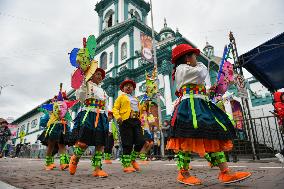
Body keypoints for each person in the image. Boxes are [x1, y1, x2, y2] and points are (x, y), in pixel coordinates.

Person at [167, 44, 251, 185]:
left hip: (200, 105)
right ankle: (183, 173)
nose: (197, 58)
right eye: (194, 56)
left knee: (213, 136)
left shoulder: (189, 69)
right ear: (187, 58)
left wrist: (208, 90)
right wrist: (201, 65)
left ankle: (225, 173)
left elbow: (196, 83)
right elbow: (200, 74)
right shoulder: (182, 69)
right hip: (189, 107)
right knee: (186, 139)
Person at [69, 68, 109, 177]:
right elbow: (80, 97)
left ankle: (97, 168)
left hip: (100, 116)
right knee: (83, 143)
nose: (100, 76)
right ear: (91, 75)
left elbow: (105, 106)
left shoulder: (103, 91)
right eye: (97, 74)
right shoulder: (86, 85)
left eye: (101, 74)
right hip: (88, 114)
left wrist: (107, 120)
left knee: (100, 143)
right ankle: (74, 159)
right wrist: (83, 83)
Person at [38, 85, 75, 171]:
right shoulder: (54, 107)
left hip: (63, 127)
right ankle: (48, 163)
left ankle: (63, 163)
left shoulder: (66, 108)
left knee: (62, 145)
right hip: (53, 127)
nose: (64, 101)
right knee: (51, 145)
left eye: (66, 99)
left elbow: (68, 117)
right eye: (63, 99)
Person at [113, 79, 145, 173]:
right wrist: (118, 117)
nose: (128, 87)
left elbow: (140, 110)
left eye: (130, 86)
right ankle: (126, 165)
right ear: (122, 89)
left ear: (133, 88)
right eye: (126, 85)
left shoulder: (136, 99)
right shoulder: (121, 97)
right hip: (125, 121)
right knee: (127, 143)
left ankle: (132, 159)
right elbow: (115, 108)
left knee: (140, 141)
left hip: (136, 121)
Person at [273, 91, 284, 163]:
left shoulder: (281, 104)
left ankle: (281, 154)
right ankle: (281, 154)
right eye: (282, 95)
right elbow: (282, 113)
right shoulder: (278, 104)